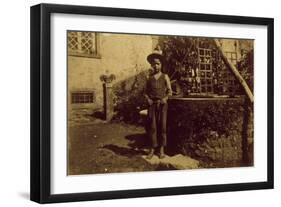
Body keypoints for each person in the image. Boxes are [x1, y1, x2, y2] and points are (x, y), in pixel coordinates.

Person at [144, 50, 172, 159]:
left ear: (161, 65)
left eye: (158, 64)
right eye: (154, 64)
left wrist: (165, 98)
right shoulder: (149, 78)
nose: (156, 66)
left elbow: (170, 91)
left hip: (162, 105)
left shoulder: (165, 77)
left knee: (162, 126)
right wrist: (148, 99)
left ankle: (161, 149)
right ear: (151, 65)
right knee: (152, 127)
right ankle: (152, 149)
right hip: (152, 105)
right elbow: (145, 93)